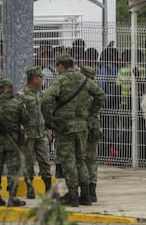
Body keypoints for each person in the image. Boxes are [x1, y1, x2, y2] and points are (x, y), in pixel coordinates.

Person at [41, 54, 105, 207]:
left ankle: (73, 196)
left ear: (61, 66)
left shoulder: (61, 80)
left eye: (57, 67)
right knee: (81, 160)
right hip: (82, 126)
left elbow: (46, 99)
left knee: (69, 161)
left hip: (65, 127)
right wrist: (90, 113)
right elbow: (100, 95)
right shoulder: (84, 79)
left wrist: (50, 120)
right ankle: (86, 195)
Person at [0, 79, 26, 207]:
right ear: (11, 89)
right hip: (12, 141)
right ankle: (13, 198)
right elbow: (25, 120)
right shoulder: (17, 103)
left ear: (0, 89)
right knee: (13, 168)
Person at [17, 66, 52, 199]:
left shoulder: (41, 94)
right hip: (28, 135)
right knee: (29, 162)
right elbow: (18, 116)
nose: (42, 79)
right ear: (33, 79)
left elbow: (46, 114)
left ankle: (48, 188)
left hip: (41, 133)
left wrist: (48, 130)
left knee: (45, 161)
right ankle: (30, 188)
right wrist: (22, 133)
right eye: (40, 77)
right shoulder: (22, 95)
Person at [80, 65, 104, 202]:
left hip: (86, 128)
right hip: (94, 127)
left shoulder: (83, 93)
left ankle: (87, 190)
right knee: (92, 160)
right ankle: (92, 190)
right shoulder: (95, 93)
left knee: (83, 159)